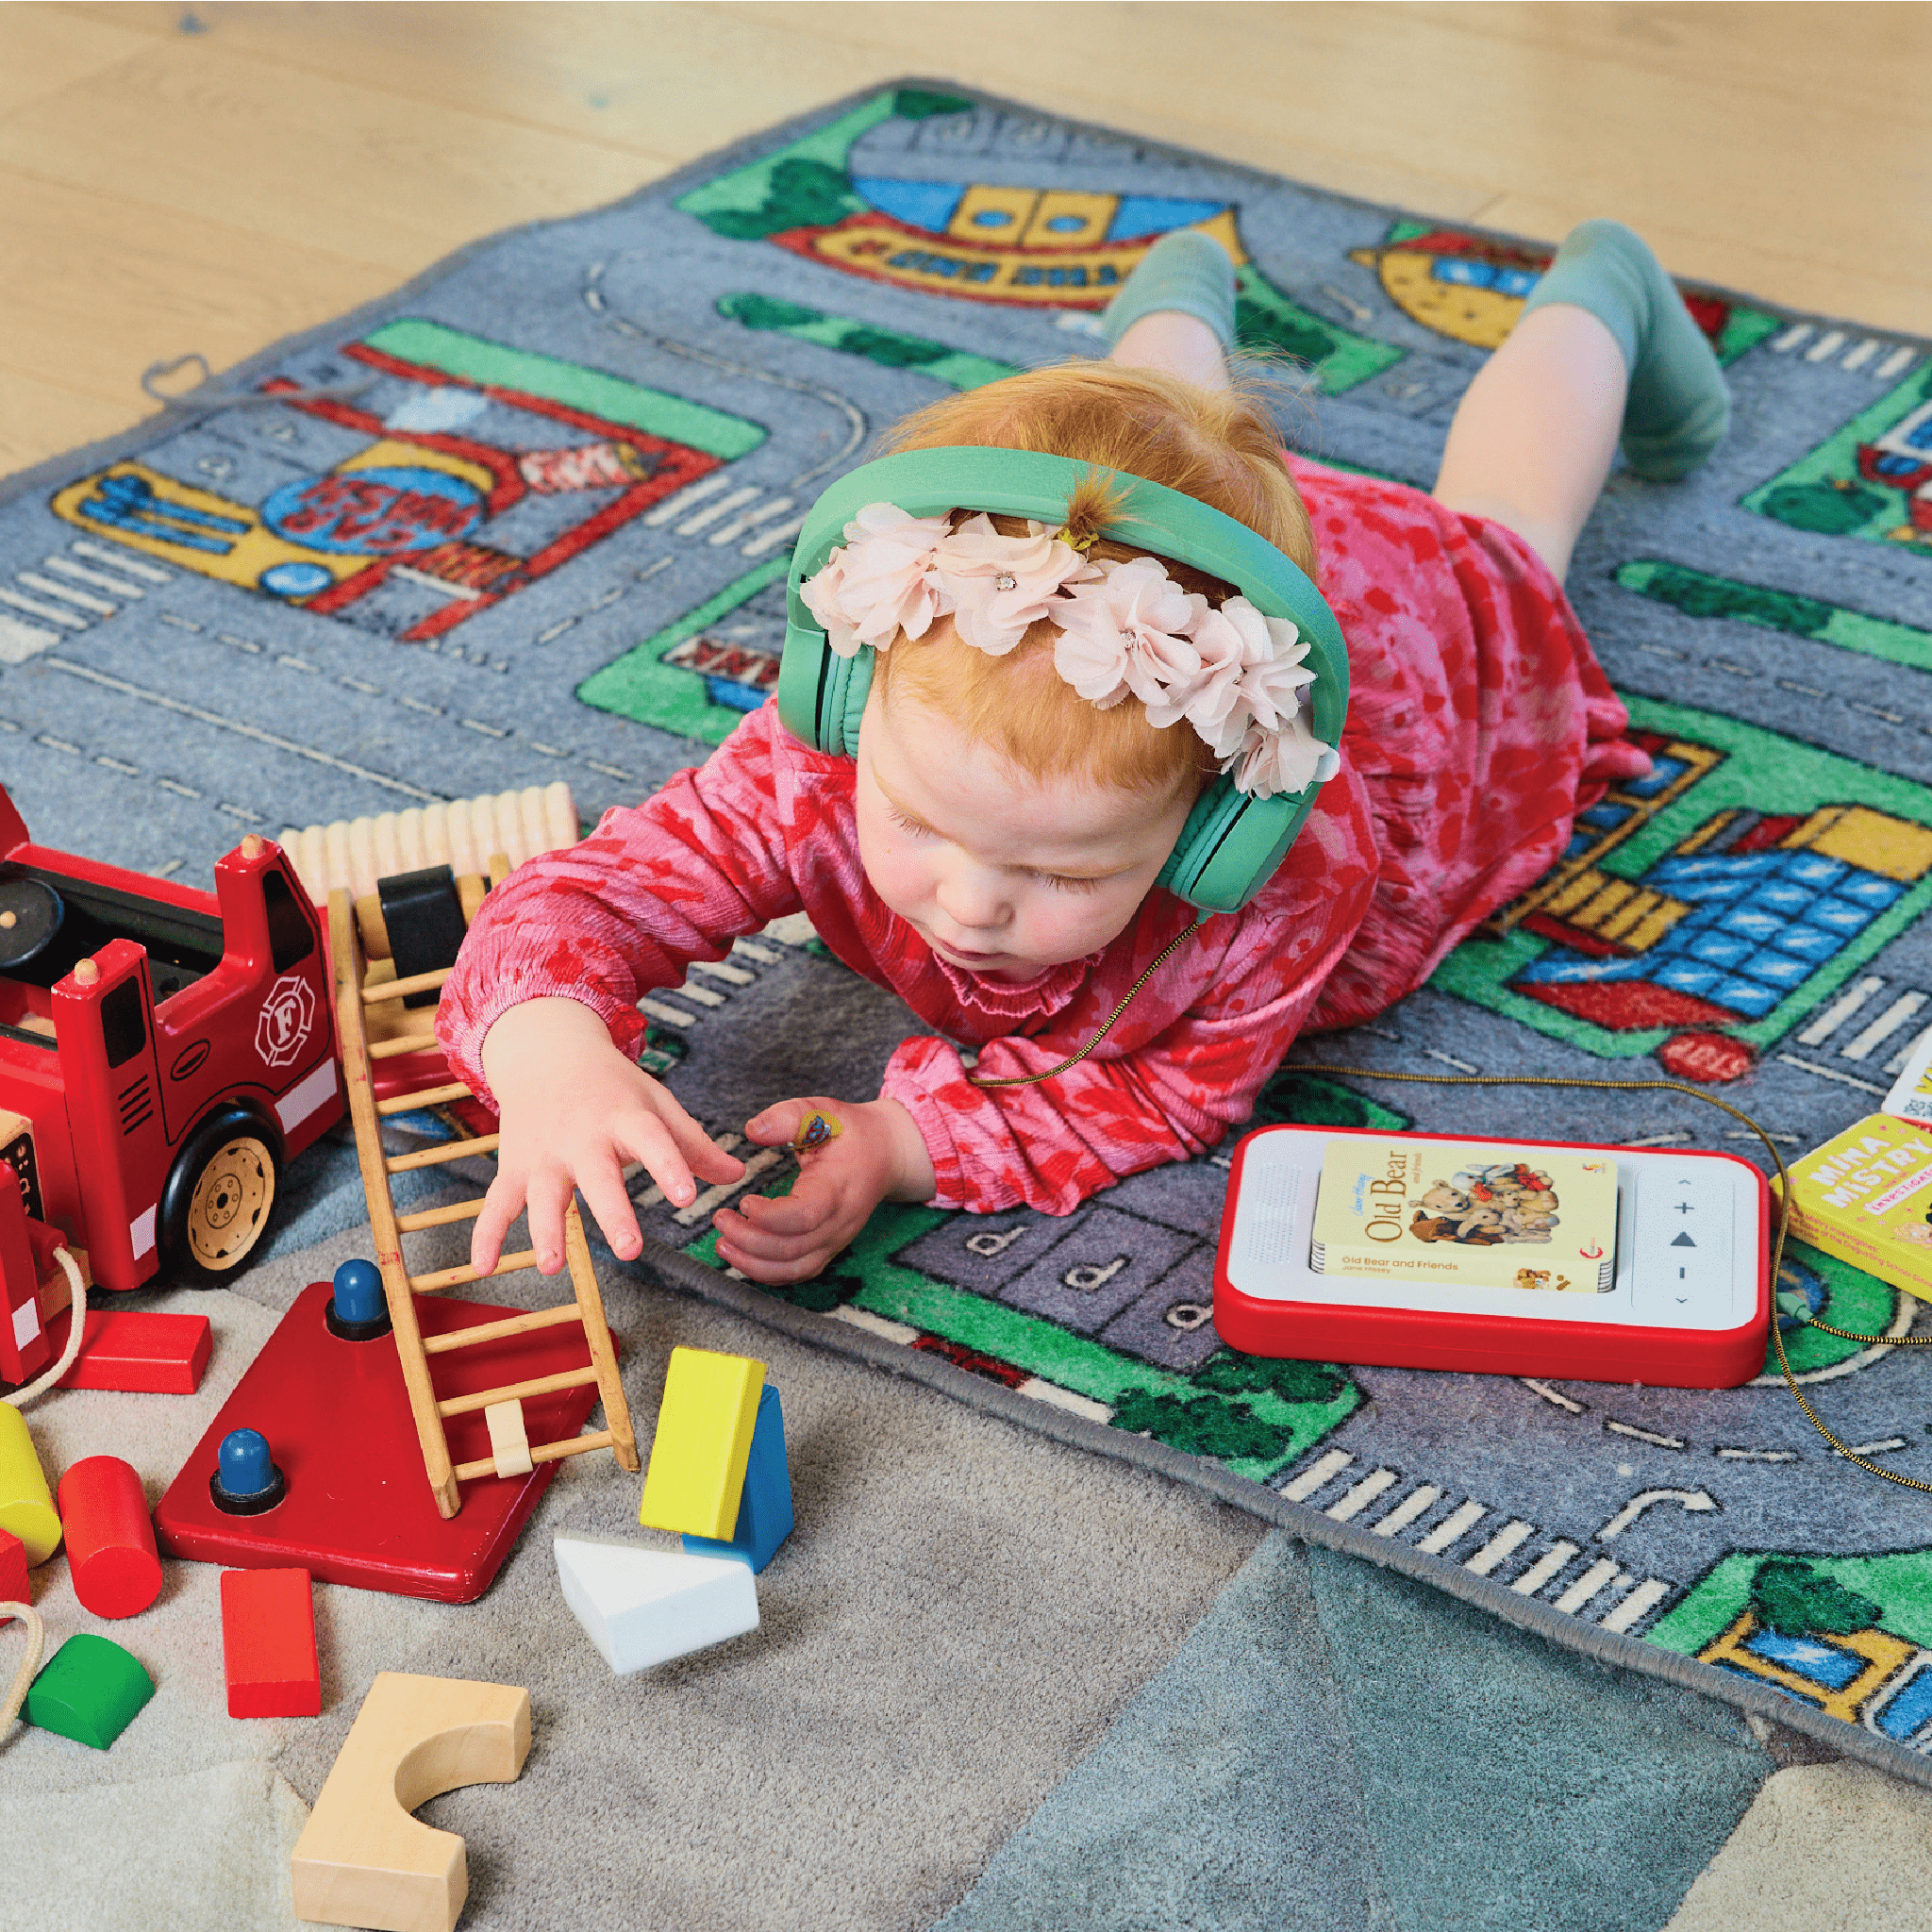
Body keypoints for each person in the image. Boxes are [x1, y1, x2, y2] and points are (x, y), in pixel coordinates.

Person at [436, 218, 1728, 1288]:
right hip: (1145, 555)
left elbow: (1164, 1096)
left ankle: (1602, 288)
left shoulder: (1280, 876)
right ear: (846, 701)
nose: (973, 901)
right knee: (1155, 435)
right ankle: (1175, 301)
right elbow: (578, 903)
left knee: (1506, 527)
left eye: (1064, 877)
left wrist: (902, 1146)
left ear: (1224, 829)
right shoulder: (815, 763)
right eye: (922, 823)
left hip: (1398, 629)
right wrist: (550, 1054)